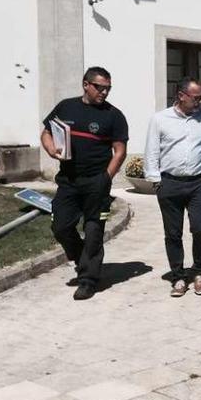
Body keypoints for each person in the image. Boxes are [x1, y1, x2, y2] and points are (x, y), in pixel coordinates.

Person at [40, 67, 128, 300]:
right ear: (86, 84)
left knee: (93, 231)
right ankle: (81, 257)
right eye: (99, 87)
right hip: (68, 181)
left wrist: (106, 178)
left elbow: (120, 151)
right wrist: (50, 148)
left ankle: (88, 280)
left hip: (96, 181)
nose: (104, 92)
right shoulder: (66, 107)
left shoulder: (114, 115)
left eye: (108, 88)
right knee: (60, 227)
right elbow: (46, 132)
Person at [145, 77, 201, 297]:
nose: (200, 101)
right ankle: (179, 276)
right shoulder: (160, 119)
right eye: (196, 97)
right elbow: (152, 150)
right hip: (169, 183)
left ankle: (199, 271)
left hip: (199, 183)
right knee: (173, 233)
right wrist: (156, 181)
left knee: (200, 229)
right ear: (181, 96)